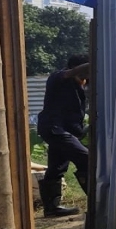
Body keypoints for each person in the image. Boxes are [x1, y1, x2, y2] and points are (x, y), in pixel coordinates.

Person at [37, 54, 90, 218]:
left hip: (64, 132)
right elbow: (70, 73)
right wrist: (96, 61)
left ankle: (51, 208)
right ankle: (97, 202)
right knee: (86, 159)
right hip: (55, 129)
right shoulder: (59, 77)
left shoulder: (82, 85)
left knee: (56, 167)